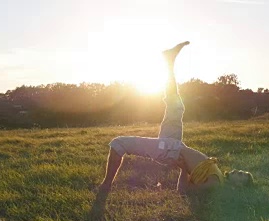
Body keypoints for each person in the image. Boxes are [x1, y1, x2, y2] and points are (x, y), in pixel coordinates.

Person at [97, 41, 253, 194]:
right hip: (176, 144)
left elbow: (183, 191)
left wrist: (183, 168)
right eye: (243, 171)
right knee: (176, 105)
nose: (239, 171)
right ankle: (169, 62)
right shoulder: (218, 176)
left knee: (119, 143)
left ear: (238, 186)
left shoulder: (215, 184)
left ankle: (105, 186)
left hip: (169, 150)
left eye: (241, 176)